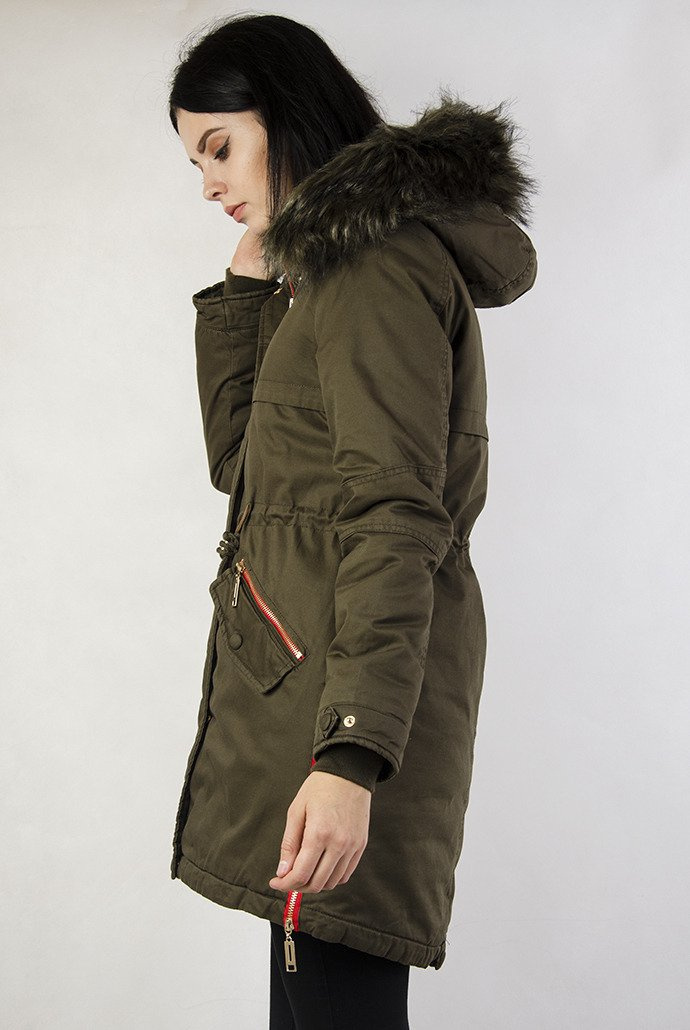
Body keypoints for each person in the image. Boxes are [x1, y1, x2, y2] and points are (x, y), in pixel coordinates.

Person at [167, 12, 538, 1029]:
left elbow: (395, 517)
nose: (208, 182)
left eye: (219, 147)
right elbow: (246, 471)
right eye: (196, 161)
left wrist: (348, 758)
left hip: (344, 718)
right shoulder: (321, 275)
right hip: (312, 702)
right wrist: (246, 292)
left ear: (285, 116)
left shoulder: (373, 269)